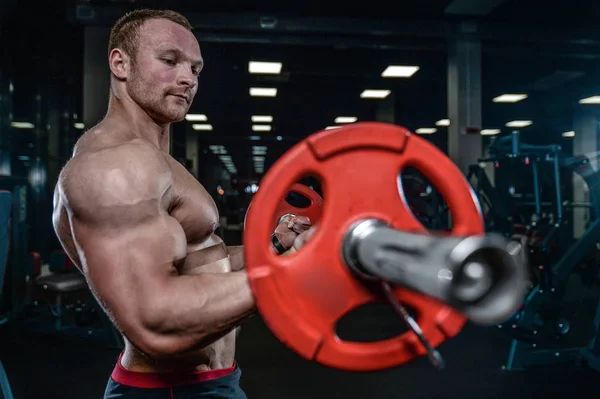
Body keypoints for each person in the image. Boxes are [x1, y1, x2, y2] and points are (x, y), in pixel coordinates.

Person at [52, 8, 313, 399]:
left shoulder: (156, 161)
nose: (188, 78)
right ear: (120, 63)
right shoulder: (115, 166)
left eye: (196, 68)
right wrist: (295, 271)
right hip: (171, 391)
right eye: (170, 61)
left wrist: (276, 247)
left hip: (212, 382)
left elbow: (202, 261)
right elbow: (153, 319)